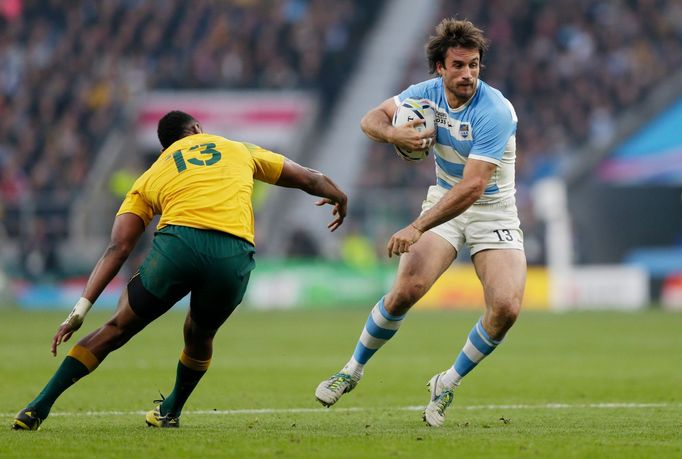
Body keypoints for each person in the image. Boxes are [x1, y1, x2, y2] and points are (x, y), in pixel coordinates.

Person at [12, 110, 348, 430]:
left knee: (116, 328)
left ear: (166, 146)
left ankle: (37, 407)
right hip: (233, 255)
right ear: (197, 129)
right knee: (200, 334)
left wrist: (79, 309)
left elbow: (119, 247)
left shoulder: (151, 174)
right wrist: (338, 196)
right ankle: (171, 411)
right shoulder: (237, 148)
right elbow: (307, 177)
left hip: (178, 248)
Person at [315, 18, 526, 427]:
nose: (468, 74)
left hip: (492, 209)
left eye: (475, 65)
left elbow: (474, 186)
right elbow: (370, 118)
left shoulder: (495, 111)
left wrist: (417, 226)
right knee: (406, 291)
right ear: (440, 68)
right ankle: (352, 370)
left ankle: (447, 382)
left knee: (506, 307)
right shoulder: (423, 96)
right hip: (444, 201)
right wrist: (394, 136)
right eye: (459, 65)